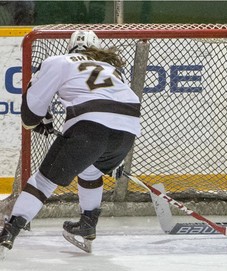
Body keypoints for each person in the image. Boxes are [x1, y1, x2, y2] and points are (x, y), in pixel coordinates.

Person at [0, 30, 141, 253]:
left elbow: (30, 114)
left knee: (44, 180)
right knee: (91, 171)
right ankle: (88, 224)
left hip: (91, 128)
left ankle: (9, 230)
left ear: (71, 46)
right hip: (127, 131)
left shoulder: (59, 61)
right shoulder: (112, 70)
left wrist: (41, 120)